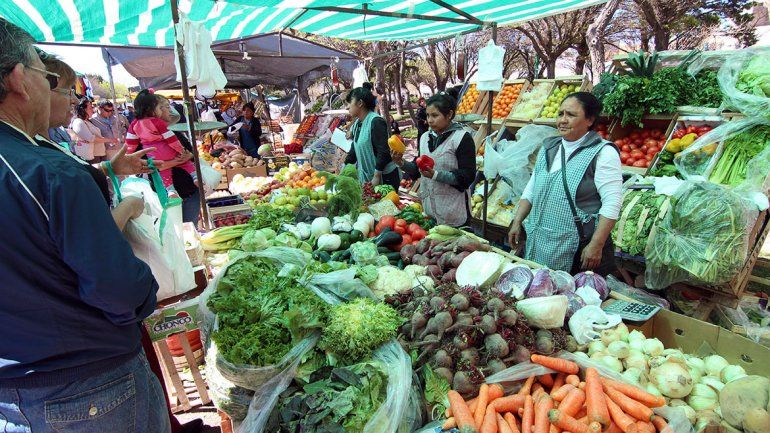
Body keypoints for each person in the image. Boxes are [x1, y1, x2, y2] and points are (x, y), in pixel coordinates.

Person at [0, 18, 169, 432]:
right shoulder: (50, 172)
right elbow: (117, 288)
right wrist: (146, 289)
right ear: (19, 79)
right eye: (47, 77)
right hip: (90, 387)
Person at [38, 49, 204, 433]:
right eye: (66, 90)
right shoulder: (39, 164)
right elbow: (85, 242)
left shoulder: (43, 148)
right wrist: (128, 208)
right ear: (26, 85)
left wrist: (110, 169)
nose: (74, 100)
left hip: (101, 320)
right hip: (90, 333)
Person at [508, 92, 622, 275]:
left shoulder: (603, 153)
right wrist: (517, 220)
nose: (562, 120)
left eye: (571, 115)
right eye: (560, 114)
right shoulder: (548, 148)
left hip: (579, 247)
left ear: (590, 120)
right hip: (543, 241)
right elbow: (532, 188)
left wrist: (596, 244)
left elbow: (612, 203)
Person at [391, 90, 476, 226]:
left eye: (435, 115)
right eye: (428, 115)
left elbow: (467, 176)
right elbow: (417, 169)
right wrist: (401, 163)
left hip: (453, 212)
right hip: (429, 211)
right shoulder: (425, 137)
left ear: (449, 114)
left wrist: (436, 175)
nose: (429, 120)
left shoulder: (462, 138)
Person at [126, 89, 198, 192]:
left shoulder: (174, 130)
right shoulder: (153, 129)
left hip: (188, 188)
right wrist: (177, 159)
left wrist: (189, 155)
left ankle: (172, 190)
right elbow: (147, 166)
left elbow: (192, 152)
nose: (170, 110)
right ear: (153, 110)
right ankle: (182, 184)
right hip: (165, 192)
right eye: (166, 107)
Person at [344, 86, 400, 189]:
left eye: (349, 103)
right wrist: (344, 168)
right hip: (368, 176)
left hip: (384, 178)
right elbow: (354, 149)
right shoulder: (357, 123)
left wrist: (376, 176)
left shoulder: (376, 122)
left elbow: (383, 152)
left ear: (360, 103)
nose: (347, 107)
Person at [71, 98, 116, 163]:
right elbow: (91, 138)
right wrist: (110, 140)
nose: (93, 110)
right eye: (90, 108)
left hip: (99, 154)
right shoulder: (78, 121)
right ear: (83, 109)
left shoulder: (88, 121)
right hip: (91, 157)